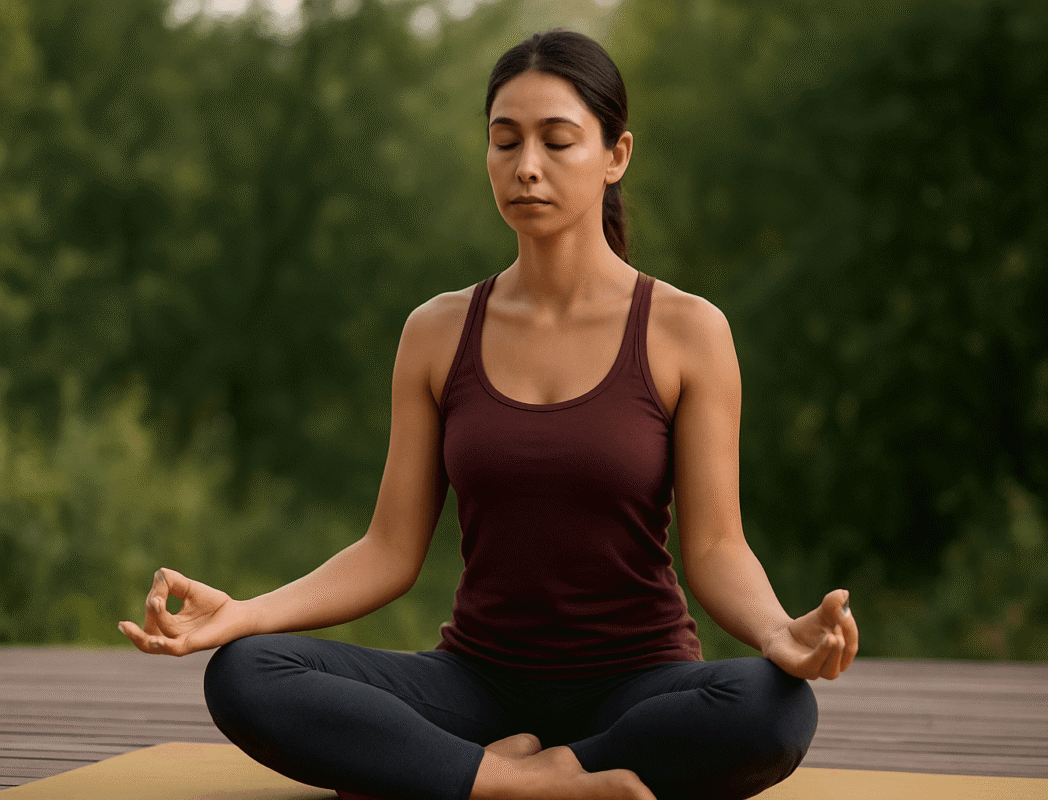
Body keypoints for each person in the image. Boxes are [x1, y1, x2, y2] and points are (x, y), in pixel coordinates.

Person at [118, 29, 858, 800]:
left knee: (774, 708)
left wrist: (779, 634)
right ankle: (522, 783)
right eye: (504, 142)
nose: (526, 166)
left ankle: (501, 775)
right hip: (475, 688)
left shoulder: (686, 331)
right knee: (247, 671)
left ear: (616, 155)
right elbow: (388, 550)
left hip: (639, 687)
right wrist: (244, 613)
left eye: (557, 141)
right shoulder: (437, 332)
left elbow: (715, 546)